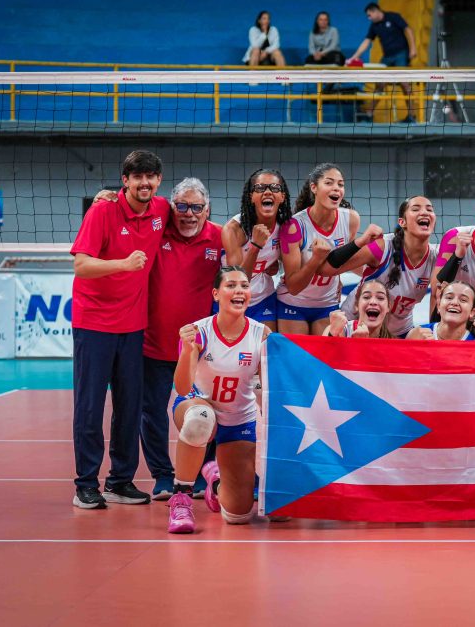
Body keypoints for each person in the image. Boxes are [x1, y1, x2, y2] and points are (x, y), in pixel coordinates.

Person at [70, 150, 169, 509]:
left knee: (129, 407)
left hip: (133, 325)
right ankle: (85, 484)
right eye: (137, 177)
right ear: (124, 180)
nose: (145, 183)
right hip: (94, 322)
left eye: (151, 177)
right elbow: (81, 265)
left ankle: (120, 480)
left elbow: (194, 215)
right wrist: (124, 265)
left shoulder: (161, 210)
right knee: (90, 406)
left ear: (158, 181)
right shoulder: (103, 210)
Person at [167, 266, 268, 533]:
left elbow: (269, 386)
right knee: (201, 419)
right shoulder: (198, 332)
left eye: (244, 286)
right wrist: (188, 350)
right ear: (216, 294)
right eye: (231, 285)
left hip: (239, 417)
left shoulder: (262, 334)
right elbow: (182, 387)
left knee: (239, 515)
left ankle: (217, 483)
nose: (239, 291)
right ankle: (181, 497)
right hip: (198, 405)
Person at [141, 178, 223, 501]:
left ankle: (203, 471)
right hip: (155, 343)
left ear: (207, 210)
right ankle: (163, 474)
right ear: (173, 206)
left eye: (197, 207)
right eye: (182, 206)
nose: (189, 214)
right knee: (152, 411)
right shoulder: (157, 231)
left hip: (200, 350)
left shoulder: (219, 238)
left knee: (208, 410)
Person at [320, 196, 436, 337]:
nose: (424, 212)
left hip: (398, 332)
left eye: (429, 209)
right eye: (416, 209)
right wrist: (360, 241)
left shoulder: (436, 256)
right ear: (402, 222)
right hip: (357, 324)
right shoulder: (382, 247)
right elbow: (327, 268)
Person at [276, 163, 363, 335]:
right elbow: (293, 286)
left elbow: (346, 262)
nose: (336, 188)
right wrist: (316, 259)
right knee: (299, 361)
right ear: (314, 187)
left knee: (324, 359)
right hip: (293, 302)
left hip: (327, 304)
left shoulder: (351, 220)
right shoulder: (294, 226)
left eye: (340, 184)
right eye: (329, 183)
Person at [221, 169, 292, 332]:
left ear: (282, 197)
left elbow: (292, 263)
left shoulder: (286, 228)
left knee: (266, 351)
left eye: (274, 187)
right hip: (232, 298)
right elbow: (237, 279)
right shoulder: (234, 229)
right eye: (260, 188)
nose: (267, 192)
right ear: (251, 197)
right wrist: (256, 246)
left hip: (263, 298)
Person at [347, 2, 417, 122]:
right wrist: (354, 57)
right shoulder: (374, 26)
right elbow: (367, 41)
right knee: (379, 84)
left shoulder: (393, 17)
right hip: (387, 57)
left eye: (369, 15)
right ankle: (369, 114)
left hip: (401, 54)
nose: (368, 18)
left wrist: (413, 48)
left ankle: (411, 116)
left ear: (375, 11)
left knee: (405, 84)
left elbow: (408, 30)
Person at [407, 281, 475, 341]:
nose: (454, 303)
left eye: (463, 300)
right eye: (449, 297)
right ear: (439, 305)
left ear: (472, 313)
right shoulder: (417, 334)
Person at [324, 280, 393, 338]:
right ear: (356, 305)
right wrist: (332, 334)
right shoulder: (338, 330)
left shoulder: (393, 343)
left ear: (388, 307)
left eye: (380, 298)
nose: (373, 302)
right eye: (366, 297)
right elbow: (321, 353)